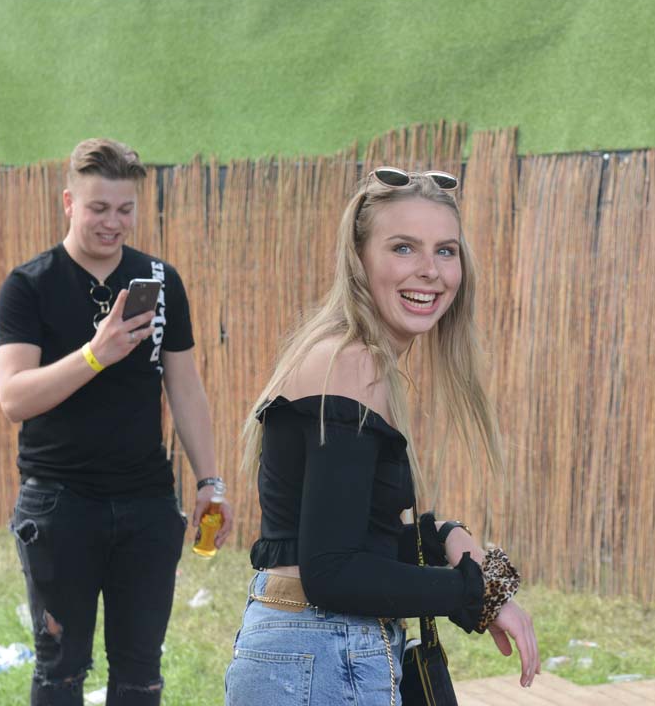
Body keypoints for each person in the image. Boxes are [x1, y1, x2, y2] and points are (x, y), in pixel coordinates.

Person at [224, 167, 539, 705]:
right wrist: (477, 592)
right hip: (322, 655)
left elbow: (345, 536)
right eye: (403, 248)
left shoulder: (349, 357)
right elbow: (333, 574)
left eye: (445, 251)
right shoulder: (354, 363)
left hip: (309, 654)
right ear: (359, 259)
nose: (430, 270)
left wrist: (441, 536)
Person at [0, 138, 233, 705]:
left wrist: (211, 481)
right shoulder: (30, 285)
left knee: (141, 674)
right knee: (60, 669)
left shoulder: (159, 280)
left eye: (125, 209)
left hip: (146, 504)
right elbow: (14, 397)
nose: (113, 222)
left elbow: (185, 386)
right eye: (99, 208)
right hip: (59, 505)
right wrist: (95, 355)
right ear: (69, 203)